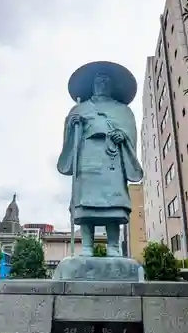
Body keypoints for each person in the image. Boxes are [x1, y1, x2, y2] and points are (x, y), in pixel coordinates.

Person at [57, 61, 143, 257]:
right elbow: (69, 133)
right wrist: (73, 124)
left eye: (106, 80)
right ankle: (86, 246)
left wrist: (123, 135)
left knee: (113, 204)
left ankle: (113, 246)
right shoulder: (80, 108)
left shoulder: (123, 110)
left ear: (112, 85)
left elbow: (130, 131)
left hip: (111, 158)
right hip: (87, 157)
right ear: (92, 84)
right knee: (86, 203)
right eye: (98, 79)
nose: (101, 83)